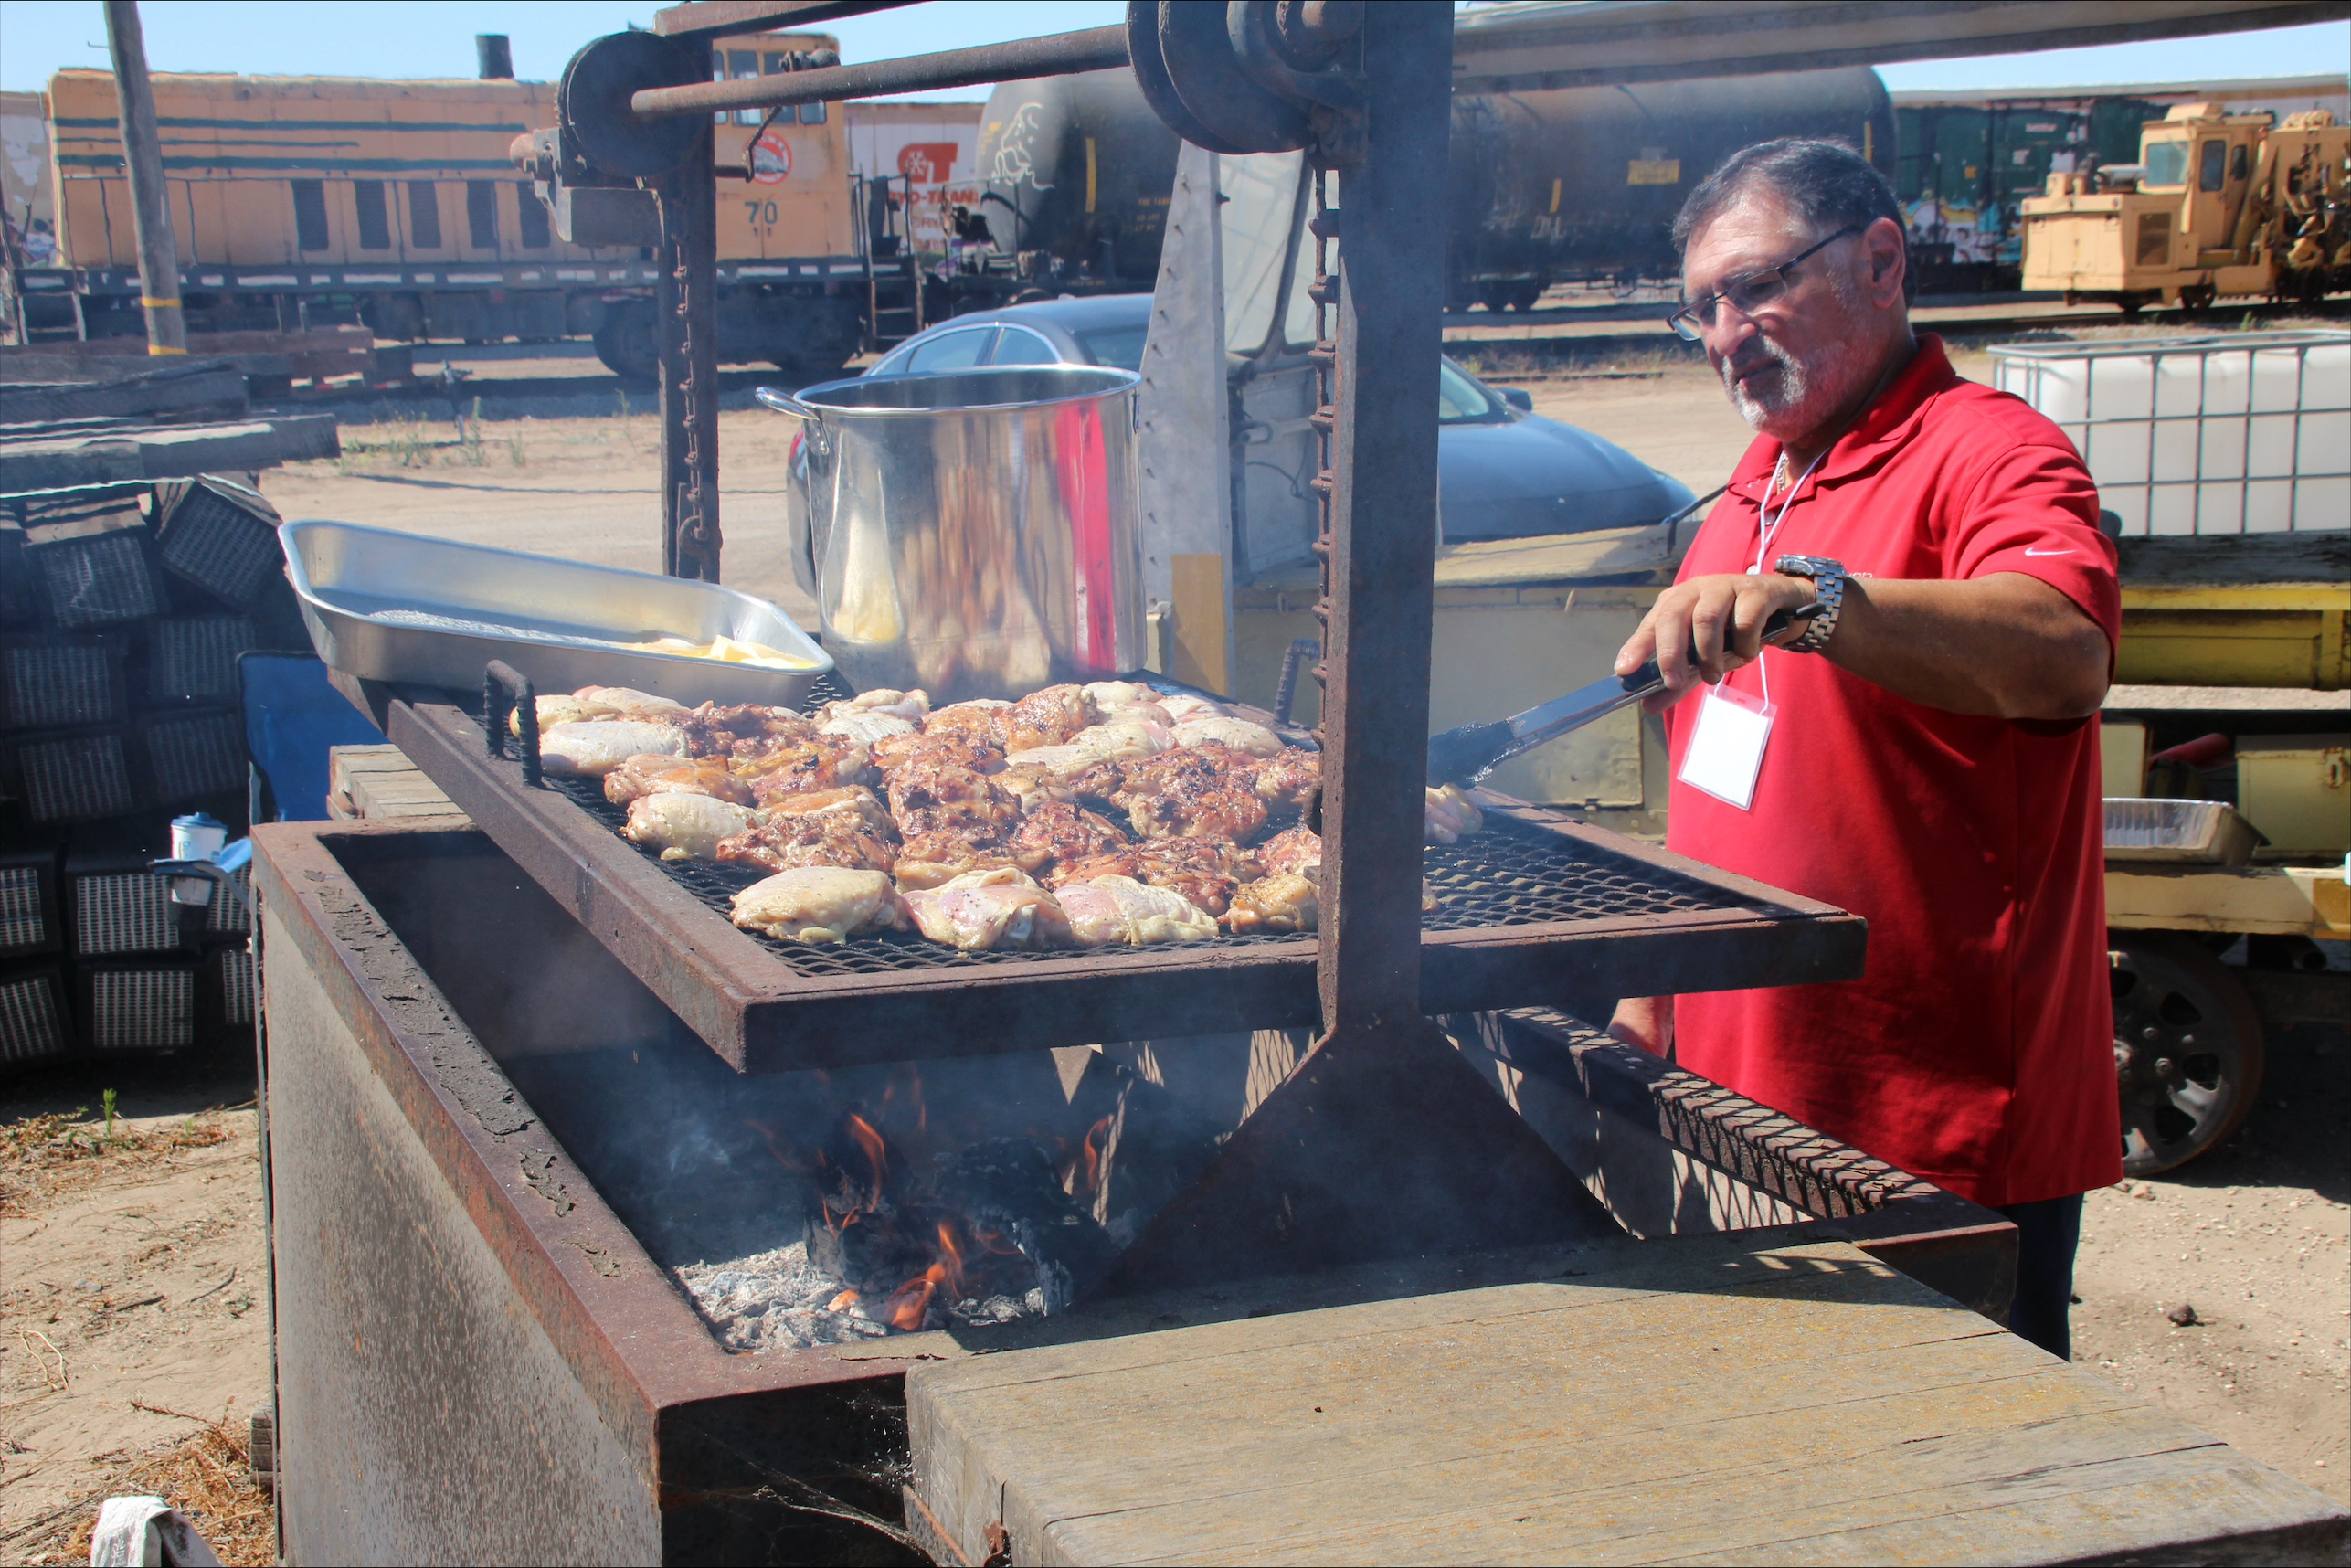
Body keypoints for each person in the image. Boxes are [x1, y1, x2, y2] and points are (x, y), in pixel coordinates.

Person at [1608, 139, 2122, 1361]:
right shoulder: (1745, 493)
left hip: (1931, 1120)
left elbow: (2063, 648)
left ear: (1881, 261)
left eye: (1753, 288)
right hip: (1742, 1111)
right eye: (1699, 309)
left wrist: (1820, 604)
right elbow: (1709, 788)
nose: (1726, 332)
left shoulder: (1982, 447)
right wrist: (1645, 1004)